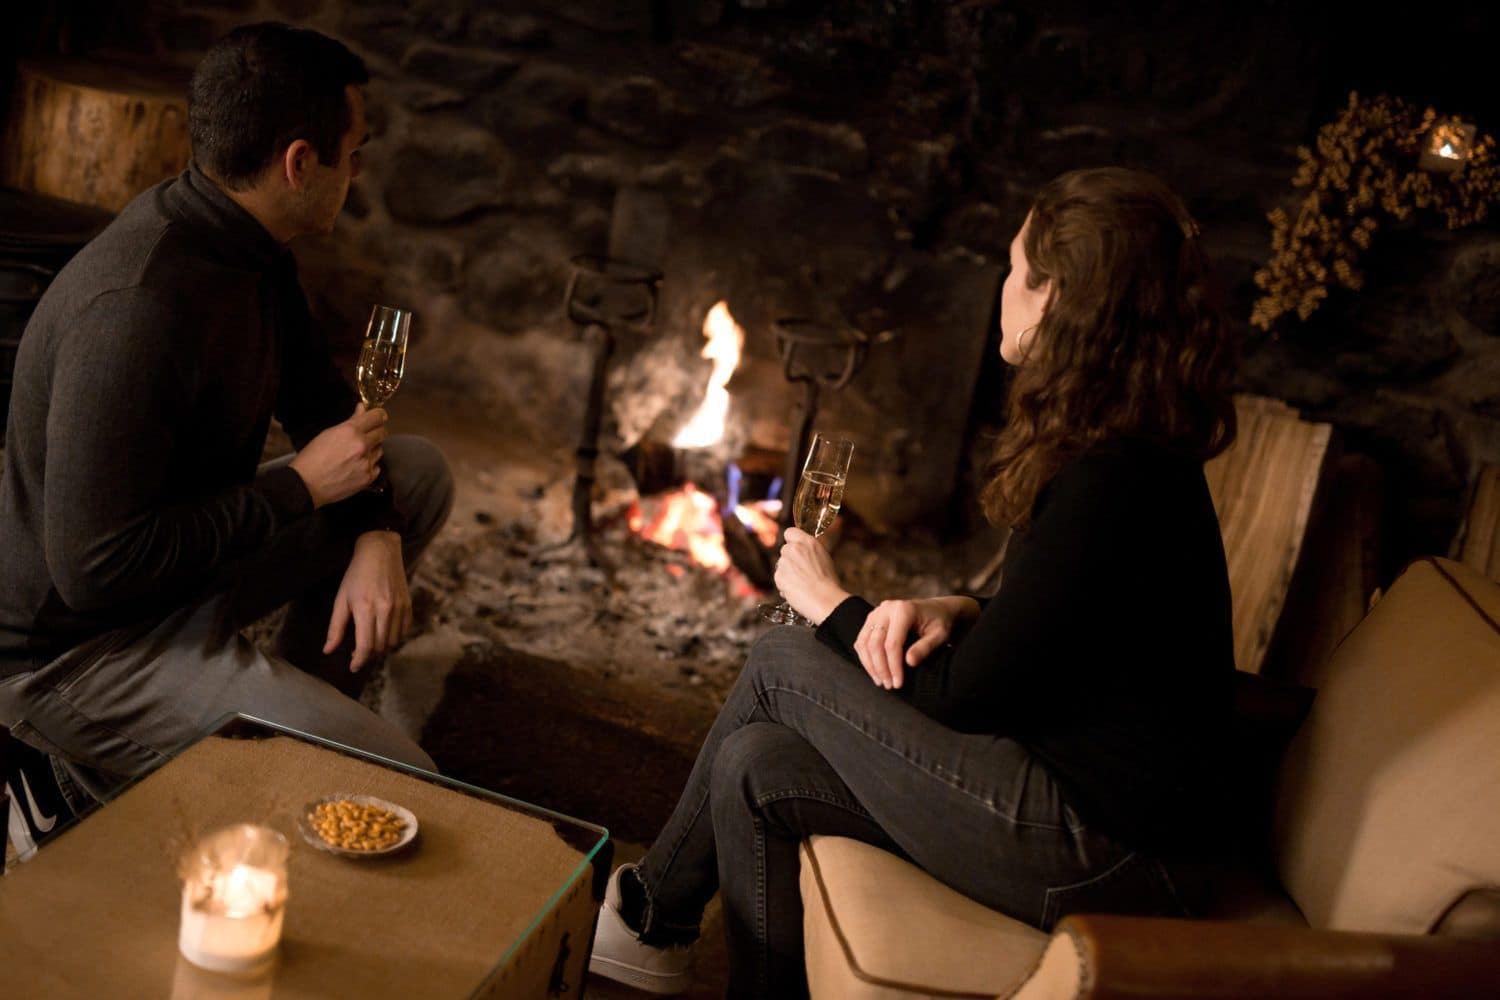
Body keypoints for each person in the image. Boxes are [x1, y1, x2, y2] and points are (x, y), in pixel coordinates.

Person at [589, 167, 1239, 997]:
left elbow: (972, 698)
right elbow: (1075, 623)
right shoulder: (1122, 441)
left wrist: (835, 608)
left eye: (1014, 271)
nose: (1002, 289)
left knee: (785, 662)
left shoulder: (1107, 473)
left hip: (1112, 857)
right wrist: (962, 607)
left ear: (1059, 299)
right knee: (755, 762)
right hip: (1093, 814)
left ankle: (650, 918)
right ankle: (687, 945)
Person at [0, 23, 452, 837]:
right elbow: (94, 573)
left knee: (413, 475)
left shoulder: (252, 246)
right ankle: (65, 781)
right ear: (298, 163)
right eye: (354, 153)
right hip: (80, 655)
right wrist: (300, 486)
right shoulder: (134, 310)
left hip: (177, 583)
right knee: (408, 792)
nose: (359, 172)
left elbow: (319, 399)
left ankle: (279, 720)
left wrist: (376, 533)